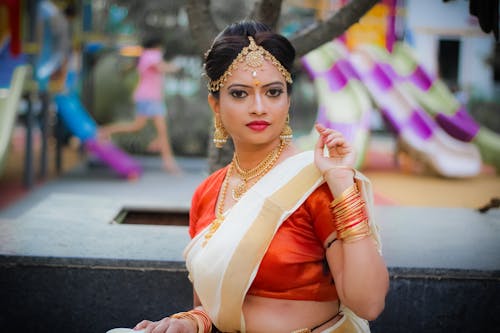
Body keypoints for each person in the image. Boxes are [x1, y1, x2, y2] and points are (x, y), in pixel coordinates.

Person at [132, 20, 389, 333]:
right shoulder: (207, 193)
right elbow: (211, 306)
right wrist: (189, 321)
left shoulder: (317, 182)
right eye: (239, 94)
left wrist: (342, 185)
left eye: (273, 92)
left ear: (288, 100)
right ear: (216, 105)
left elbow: (369, 303)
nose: (258, 107)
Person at [99, 35, 181, 173]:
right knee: (161, 130)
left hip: (147, 97)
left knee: (137, 126)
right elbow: (160, 67)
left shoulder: (144, 55)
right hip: (150, 98)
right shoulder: (152, 54)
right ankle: (168, 162)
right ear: (157, 46)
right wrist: (175, 67)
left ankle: (105, 131)